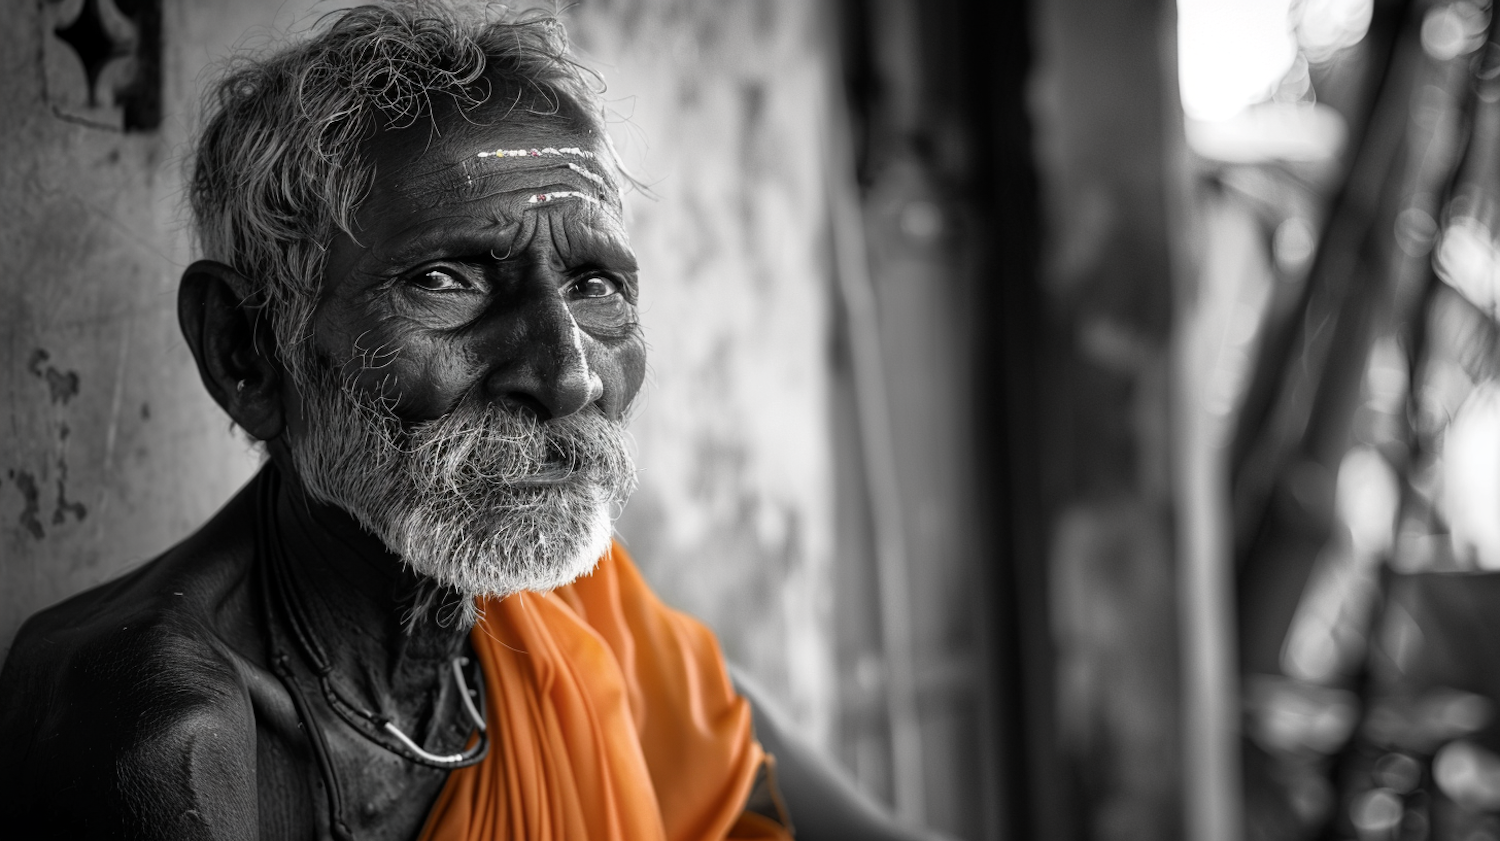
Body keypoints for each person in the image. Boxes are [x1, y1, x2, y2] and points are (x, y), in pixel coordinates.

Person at [0, 4, 936, 839]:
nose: (567, 377)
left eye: (594, 284)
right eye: (446, 279)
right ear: (247, 349)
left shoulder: (574, 620)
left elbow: (730, 750)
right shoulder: (164, 734)